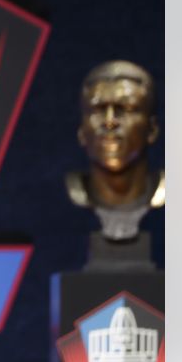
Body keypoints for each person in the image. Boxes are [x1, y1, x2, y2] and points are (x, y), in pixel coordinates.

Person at [66, 60, 165, 242]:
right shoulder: (66, 202)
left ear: (152, 130)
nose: (110, 121)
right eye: (98, 110)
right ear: (81, 131)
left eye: (125, 109)